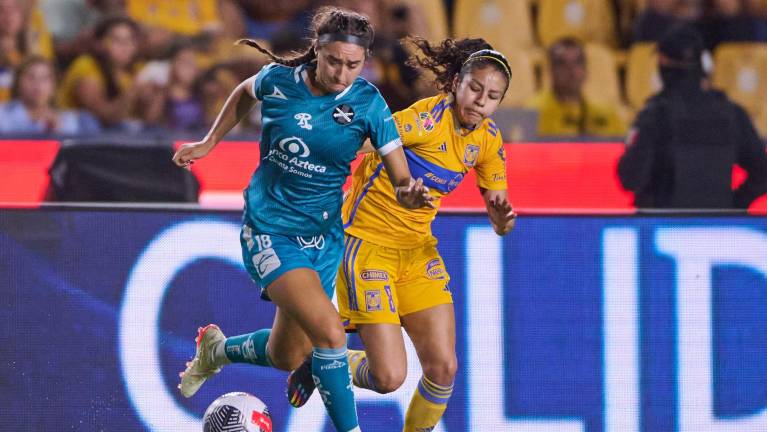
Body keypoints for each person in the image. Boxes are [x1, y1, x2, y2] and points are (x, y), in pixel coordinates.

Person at [173, 7, 433, 432]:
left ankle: (216, 350)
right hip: (271, 229)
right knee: (330, 334)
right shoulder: (280, 81)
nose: (342, 73)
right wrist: (208, 142)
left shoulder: (369, 103)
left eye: (353, 64)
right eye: (334, 61)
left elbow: (401, 176)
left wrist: (409, 192)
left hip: (324, 239)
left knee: (288, 355)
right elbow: (244, 91)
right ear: (317, 50)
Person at [285, 37, 517, 432]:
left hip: (417, 251)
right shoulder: (423, 121)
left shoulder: (488, 141)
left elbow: (501, 219)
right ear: (456, 83)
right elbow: (361, 140)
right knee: (388, 377)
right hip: (366, 244)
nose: (480, 101)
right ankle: (322, 361)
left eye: (492, 96)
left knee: (444, 368)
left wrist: (501, 220)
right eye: (475, 88)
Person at [618, 24, 767, 208]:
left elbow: (630, 178)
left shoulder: (655, 115)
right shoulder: (733, 114)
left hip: (662, 223)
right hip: (718, 224)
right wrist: (733, 205)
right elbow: (762, 173)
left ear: (662, 62)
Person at [524, 37, 626, 138]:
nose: (571, 70)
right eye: (562, 64)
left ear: (585, 69)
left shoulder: (606, 114)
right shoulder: (534, 112)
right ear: (551, 70)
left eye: (578, 63)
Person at [56, 15, 144, 129]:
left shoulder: (139, 69)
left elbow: (151, 120)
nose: (125, 46)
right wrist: (133, 92)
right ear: (99, 44)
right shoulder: (86, 66)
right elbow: (104, 118)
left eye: (130, 40)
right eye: (116, 40)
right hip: (80, 135)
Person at [0, 56, 99, 135]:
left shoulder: (75, 121)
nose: (37, 83)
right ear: (17, 82)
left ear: (54, 85)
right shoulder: (3, 115)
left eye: (45, 78)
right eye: (30, 77)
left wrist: (59, 133)